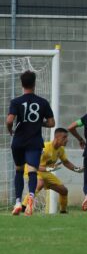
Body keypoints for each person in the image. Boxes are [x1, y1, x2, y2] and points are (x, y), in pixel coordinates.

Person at [6, 70, 55, 216]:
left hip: (19, 141)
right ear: (34, 84)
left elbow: (9, 120)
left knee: (19, 170)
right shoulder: (43, 102)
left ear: (22, 84)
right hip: (34, 141)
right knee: (33, 171)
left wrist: (10, 130)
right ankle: (31, 198)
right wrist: (40, 123)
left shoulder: (16, 102)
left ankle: (17, 202)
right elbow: (52, 123)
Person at [23, 128, 84, 214]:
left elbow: (66, 162)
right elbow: (34, 165)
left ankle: (63, 212)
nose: (66, 140)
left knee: (63, 190)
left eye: (66, 137)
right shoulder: (45, 147)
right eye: (64, 137)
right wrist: (48, 169)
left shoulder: (61, 150)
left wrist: (77, 169)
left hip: (45, 172)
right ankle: (24, 207)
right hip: (33, 170)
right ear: (56, 137)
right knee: (40, 183)